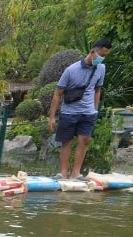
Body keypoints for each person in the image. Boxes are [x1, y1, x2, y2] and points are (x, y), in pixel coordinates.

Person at [47, 38, 112, 180]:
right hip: (69, 112)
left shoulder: (101, 68)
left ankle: (75, 174)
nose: (103, 58)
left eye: (106, 56)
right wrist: (52, 117)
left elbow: (97, 90)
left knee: (84, 141)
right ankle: (63, 173)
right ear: (93, 52)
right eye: (102, 55)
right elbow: (58, 93)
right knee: (66, 142)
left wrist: (94, 110)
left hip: (88, 113)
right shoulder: (71, 70)